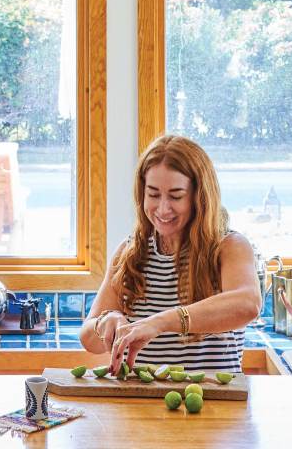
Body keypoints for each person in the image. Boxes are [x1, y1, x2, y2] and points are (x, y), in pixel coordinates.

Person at [79, 135, 262, 373]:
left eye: (176, 196)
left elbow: (248, 304)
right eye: (153, 194)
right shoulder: (130, 251)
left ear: (199, 197)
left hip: (216, 406)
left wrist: (159, 323)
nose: (163, 209)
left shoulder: (229, 247)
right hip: (142, 406)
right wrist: (106, 322)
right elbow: (87, 337)